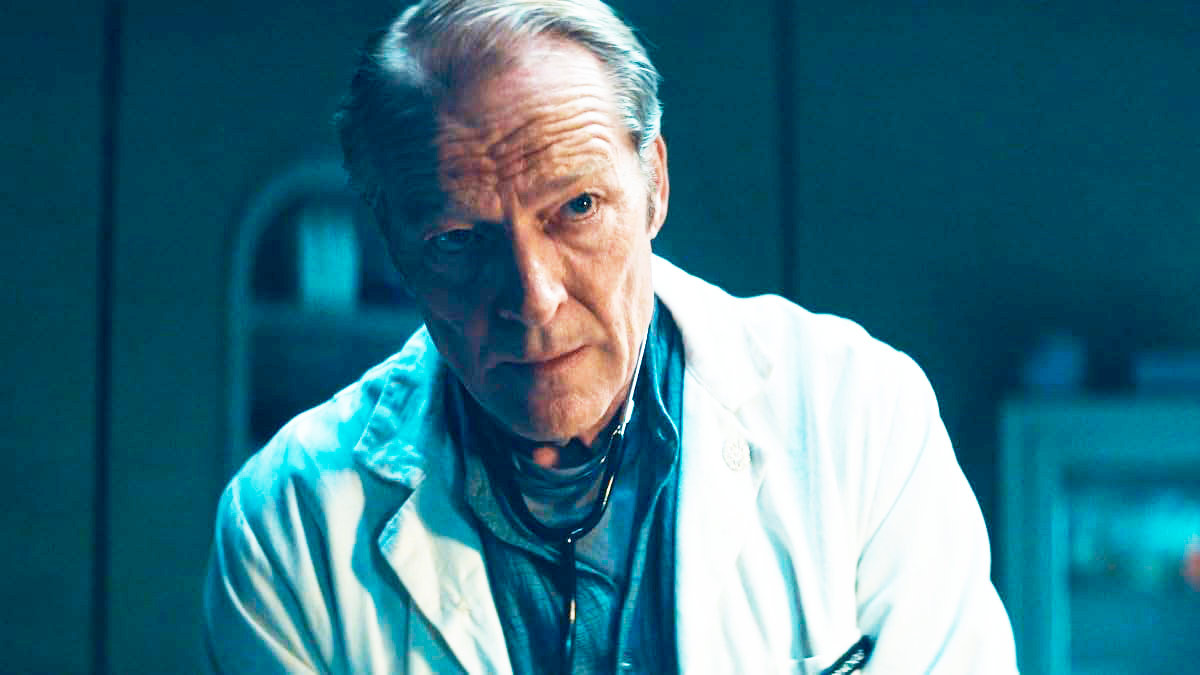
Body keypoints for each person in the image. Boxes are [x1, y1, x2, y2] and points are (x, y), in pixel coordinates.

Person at [204, 1, 1018, 672]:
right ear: (397, 251)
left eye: (577, 207)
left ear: (654, 184)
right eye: (457, 239)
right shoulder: (289, 528)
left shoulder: (856, 415)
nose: (534, 297)